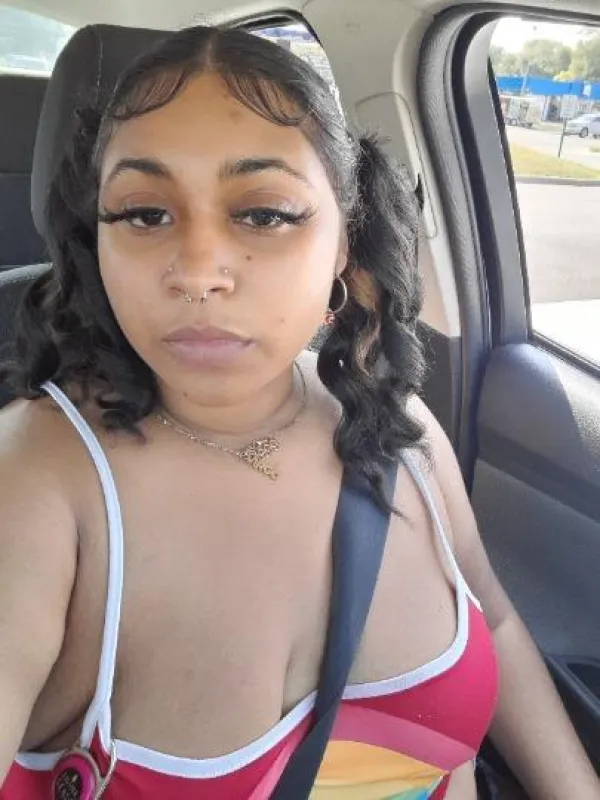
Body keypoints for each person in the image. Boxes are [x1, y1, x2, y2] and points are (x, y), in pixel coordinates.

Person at [0, 23, 598, 800]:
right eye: (144, 214)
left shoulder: (399, 430)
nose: (198, 271)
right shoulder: (38, 478)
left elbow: (499, 625)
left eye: (265, 214)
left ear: (344, 243)